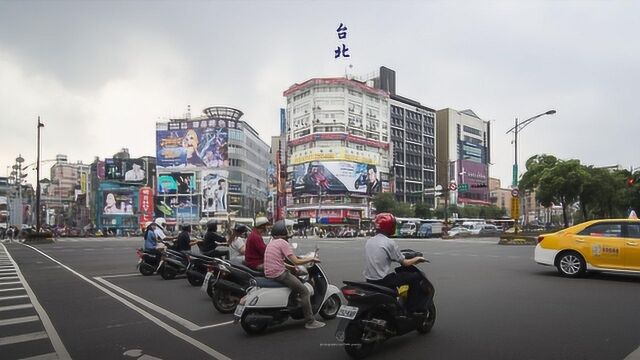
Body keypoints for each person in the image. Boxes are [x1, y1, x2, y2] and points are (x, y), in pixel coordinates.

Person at [264, 220, 325, 329]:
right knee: (304, 291)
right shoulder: (283, 243)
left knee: (295, 280)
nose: (289, 232)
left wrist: (292, 268)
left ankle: (293, 303)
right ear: (283, 232)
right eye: (287, 230)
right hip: (279, 274)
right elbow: (296, 261)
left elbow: (279, 261)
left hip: (270, 272)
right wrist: (311, 258)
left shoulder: (272, 242)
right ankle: (310, 321)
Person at [364, 213, 429, 314]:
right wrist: (417, 259)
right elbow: (405, 263)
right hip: (383, 280)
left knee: (399, 276)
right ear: (390, 226)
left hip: (370, 280)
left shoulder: (369, 241)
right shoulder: (389, 243)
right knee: (416, 277)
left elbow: (382, 256)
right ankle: (412, 308)